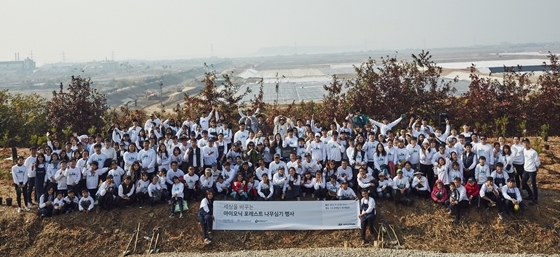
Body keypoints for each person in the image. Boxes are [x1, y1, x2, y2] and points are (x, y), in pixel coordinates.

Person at [521, 138, 540, 205]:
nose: (525, 144)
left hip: (532, 171)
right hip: (526, 170)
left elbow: (537, 162)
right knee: (523, 182)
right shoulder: (524, 150)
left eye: (526, 142)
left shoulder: (533, 152)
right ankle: (530, 194)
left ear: (529, 143)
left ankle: (535, 199)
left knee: (533, 185)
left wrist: (537, 168)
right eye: (524, 143)